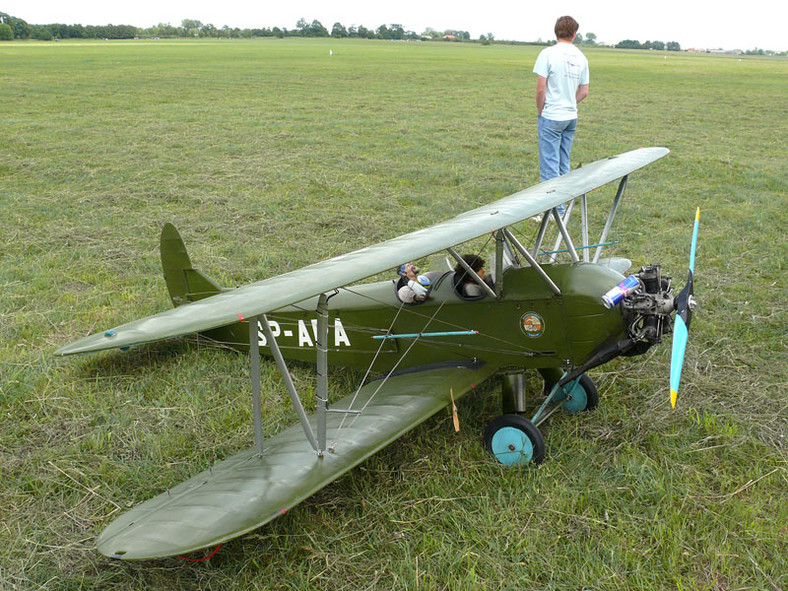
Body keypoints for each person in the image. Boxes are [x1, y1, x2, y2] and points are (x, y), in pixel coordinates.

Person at [533, 15, 589, 216]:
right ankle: (563, 207)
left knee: (549, 165)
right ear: (574, 33)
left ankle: (552, 210)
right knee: (563, 163)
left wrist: (541, 110)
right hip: (570, 117)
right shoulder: (581, 57)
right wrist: (569, 103)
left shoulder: (547, 54)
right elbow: (584, 92)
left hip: (551, 116)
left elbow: (541, 90)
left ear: (556, 32)